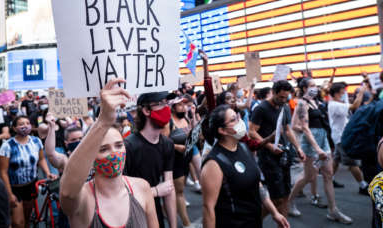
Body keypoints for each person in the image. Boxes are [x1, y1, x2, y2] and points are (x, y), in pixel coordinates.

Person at [60, 78, 158, 228]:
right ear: (90, 158)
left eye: (119, 145)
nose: (114, 153)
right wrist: (103, 121)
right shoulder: (84, 199)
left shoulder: (142, 187)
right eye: (103, 149)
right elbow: (67, 193)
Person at [202, 104, 290, 228]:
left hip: (253, 221)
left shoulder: (243, 147)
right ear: (222, 130)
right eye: (233, 120)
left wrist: (274, 212)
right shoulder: (214, 163)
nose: (239, 121)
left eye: (237, 117)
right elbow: (208, 208)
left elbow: (257, 184)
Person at [288, 78, 353, 224]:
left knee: (328, 174)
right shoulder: (302, 104)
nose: (315, 88)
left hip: (323, 138)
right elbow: (302, 127)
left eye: (315, 85)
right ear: (304, 88)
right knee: (308, 177)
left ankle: (333, 210)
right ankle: (289, 202)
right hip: (311, 142)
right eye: (311, 85)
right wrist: (317, 148)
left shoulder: (317, 102)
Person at [249, 80, 305, 217]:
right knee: (277, 198)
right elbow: (251, 131)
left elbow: (287, 130)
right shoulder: (261, 108)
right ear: (273, 92)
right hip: (268, 157)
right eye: (280, 97)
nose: (283, 100)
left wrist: (298, 148)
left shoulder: (285, 107)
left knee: (285, 195)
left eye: (286, 97)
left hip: (284, 155)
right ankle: (254, 222)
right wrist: (269, 146)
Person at [124, 91, 177, 228]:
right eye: (161, 104)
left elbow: (169, 189)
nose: (167, 108)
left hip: (156, 214)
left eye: (167, 103)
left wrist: (173, 225)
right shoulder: (128, 147)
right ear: (147, 110)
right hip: (133, 217)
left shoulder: (167, 144)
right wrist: (156, 191)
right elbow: (120, 192)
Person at [0, 115, 57, 228]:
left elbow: (42, 159)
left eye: (27, 123)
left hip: (31, 186)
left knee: (27, 219)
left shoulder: (36, 141)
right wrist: (9, 194)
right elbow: (3, 172)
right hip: (14, 188)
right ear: (14, 128)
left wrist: (48, 172)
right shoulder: (7, 146)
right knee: (18, 223)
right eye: (21, 124)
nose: (25, 126)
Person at [163, 94, 197, 228]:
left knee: (177, 190)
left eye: (185, 104)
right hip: (174, 160)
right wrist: (178, 147)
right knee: (180, 192)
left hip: (185, 158)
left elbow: (193, 132)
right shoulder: (168, 122)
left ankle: (167, 209)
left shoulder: (186, 119)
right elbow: (163, 142)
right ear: (172, 107)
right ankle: (187, 223)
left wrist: (193, 115)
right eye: (180, 105)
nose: (184, 107)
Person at [329, 82, 368, 193]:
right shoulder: (335, 105)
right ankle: (363, 186)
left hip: (339, 136)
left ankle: (330, 179)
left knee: (336, 159)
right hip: (342, 138)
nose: (344, 93)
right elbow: (355, 106)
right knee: (352, 163)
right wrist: (361, 92)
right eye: (342, 92)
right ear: (336, 93)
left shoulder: (338, 103)